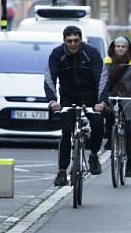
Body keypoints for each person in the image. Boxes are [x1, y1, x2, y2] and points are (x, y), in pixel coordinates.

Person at [44, 26, 105, 186]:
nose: (73, 44)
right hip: (68, 98)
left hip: (91, 97)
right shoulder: (57, 54)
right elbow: (49, 77)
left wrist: (101, 101)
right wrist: (52, 100)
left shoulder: (91, 52)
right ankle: (62, 171)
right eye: (69, 41)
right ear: (64, 40)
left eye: (76, 40)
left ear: (80, 39)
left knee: (98, 125)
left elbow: (102, 76)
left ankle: (93, 155)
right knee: (66, 133)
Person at [94, 37, 131, 178]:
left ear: (128, 48)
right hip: (112, 96)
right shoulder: (108, 62)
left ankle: (129, 167)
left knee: (129, 131)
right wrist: (101, 97)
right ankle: (111, 136)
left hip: (130, 97)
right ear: (114, 48)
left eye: (123, 46)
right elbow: (103, 80)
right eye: (118, 46)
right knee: (108, 115)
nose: (120, 48)